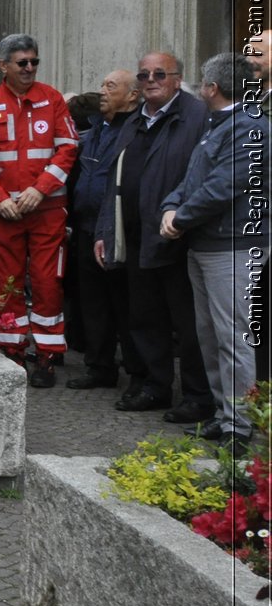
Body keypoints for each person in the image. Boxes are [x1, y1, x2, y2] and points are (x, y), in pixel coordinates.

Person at [96, 51, 210, 414]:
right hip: (135, 235)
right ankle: (155, 386)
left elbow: (202, 176)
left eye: (159, 74)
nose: (150, 81)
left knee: (188, 323)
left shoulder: (196, 116)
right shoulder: (133, 120)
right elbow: (111, 179)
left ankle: (197, 396)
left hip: (179, 237)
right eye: (144, 75)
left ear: (177, 78)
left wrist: (181, 218)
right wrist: (104, 229)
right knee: (145, 318)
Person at [161, 54, 262, 457]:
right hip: (207, 243)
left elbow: (223, 187)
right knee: (210, 336)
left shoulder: (249, 127)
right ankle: (225, 416)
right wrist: (172, 206)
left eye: (202, 82)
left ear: (211, 89)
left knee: (232, 336)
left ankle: (240, 424)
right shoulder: (217, 125)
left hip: (232, 244)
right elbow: (190, 179)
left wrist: (179, 218)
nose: (199, 89)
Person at [0, 34, 79, 384]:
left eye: (34, 62)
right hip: (5, 213)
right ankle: (12, 353)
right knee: (7, 285)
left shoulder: (53, 99)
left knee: (47, 283)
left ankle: (46, 356)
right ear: (3, 66)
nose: (30, 68)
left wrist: (39, 191)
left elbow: (68, 148)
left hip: (46, 210)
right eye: (22, 63)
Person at [66, 68, 140, 391]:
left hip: (118, 227)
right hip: (86, 224)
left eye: (111, 86)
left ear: (132, 96)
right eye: (102, 85)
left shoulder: (136, 130)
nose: (103, 91)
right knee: (92, 301)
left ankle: (138, 371)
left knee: (124, 303)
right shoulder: (96, 128)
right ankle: (99, 366)